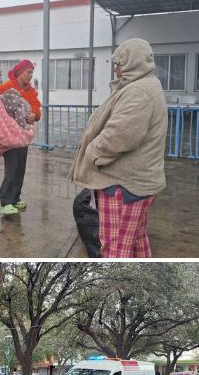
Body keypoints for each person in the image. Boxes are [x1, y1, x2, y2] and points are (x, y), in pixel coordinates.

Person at [69, 38, 167, 258]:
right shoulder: (147, 85)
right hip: (137, 184)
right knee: (136, 244)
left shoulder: (138, 92)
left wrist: (93, 153)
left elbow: (121, 135)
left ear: (133, 62)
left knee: (115, 250)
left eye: (120, 63)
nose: (116, 69)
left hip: (123, 186)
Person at [0, 59, 41, 216]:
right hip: (9, 136)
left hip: (23, 136)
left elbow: (36, 106)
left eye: (32, 72)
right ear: (19, 72)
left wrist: (34, 114)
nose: (30, 76)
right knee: (11, 168)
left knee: (20, 168)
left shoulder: (31, 91)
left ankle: (15, 197)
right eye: (28, 72)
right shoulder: (7, 87)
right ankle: (5, 201)